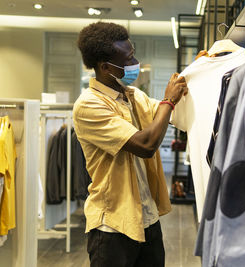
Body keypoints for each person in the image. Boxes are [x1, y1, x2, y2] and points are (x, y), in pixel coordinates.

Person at [73, 21, 188, 267]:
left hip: (147, 218)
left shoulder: (133, 96)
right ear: (105, 67)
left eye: (132, 54)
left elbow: (172, 115)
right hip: (113, 226)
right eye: (128, 59)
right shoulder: (88, 105)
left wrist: (197, 76)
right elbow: (146, 145)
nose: (134, 62)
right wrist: (169, 100)